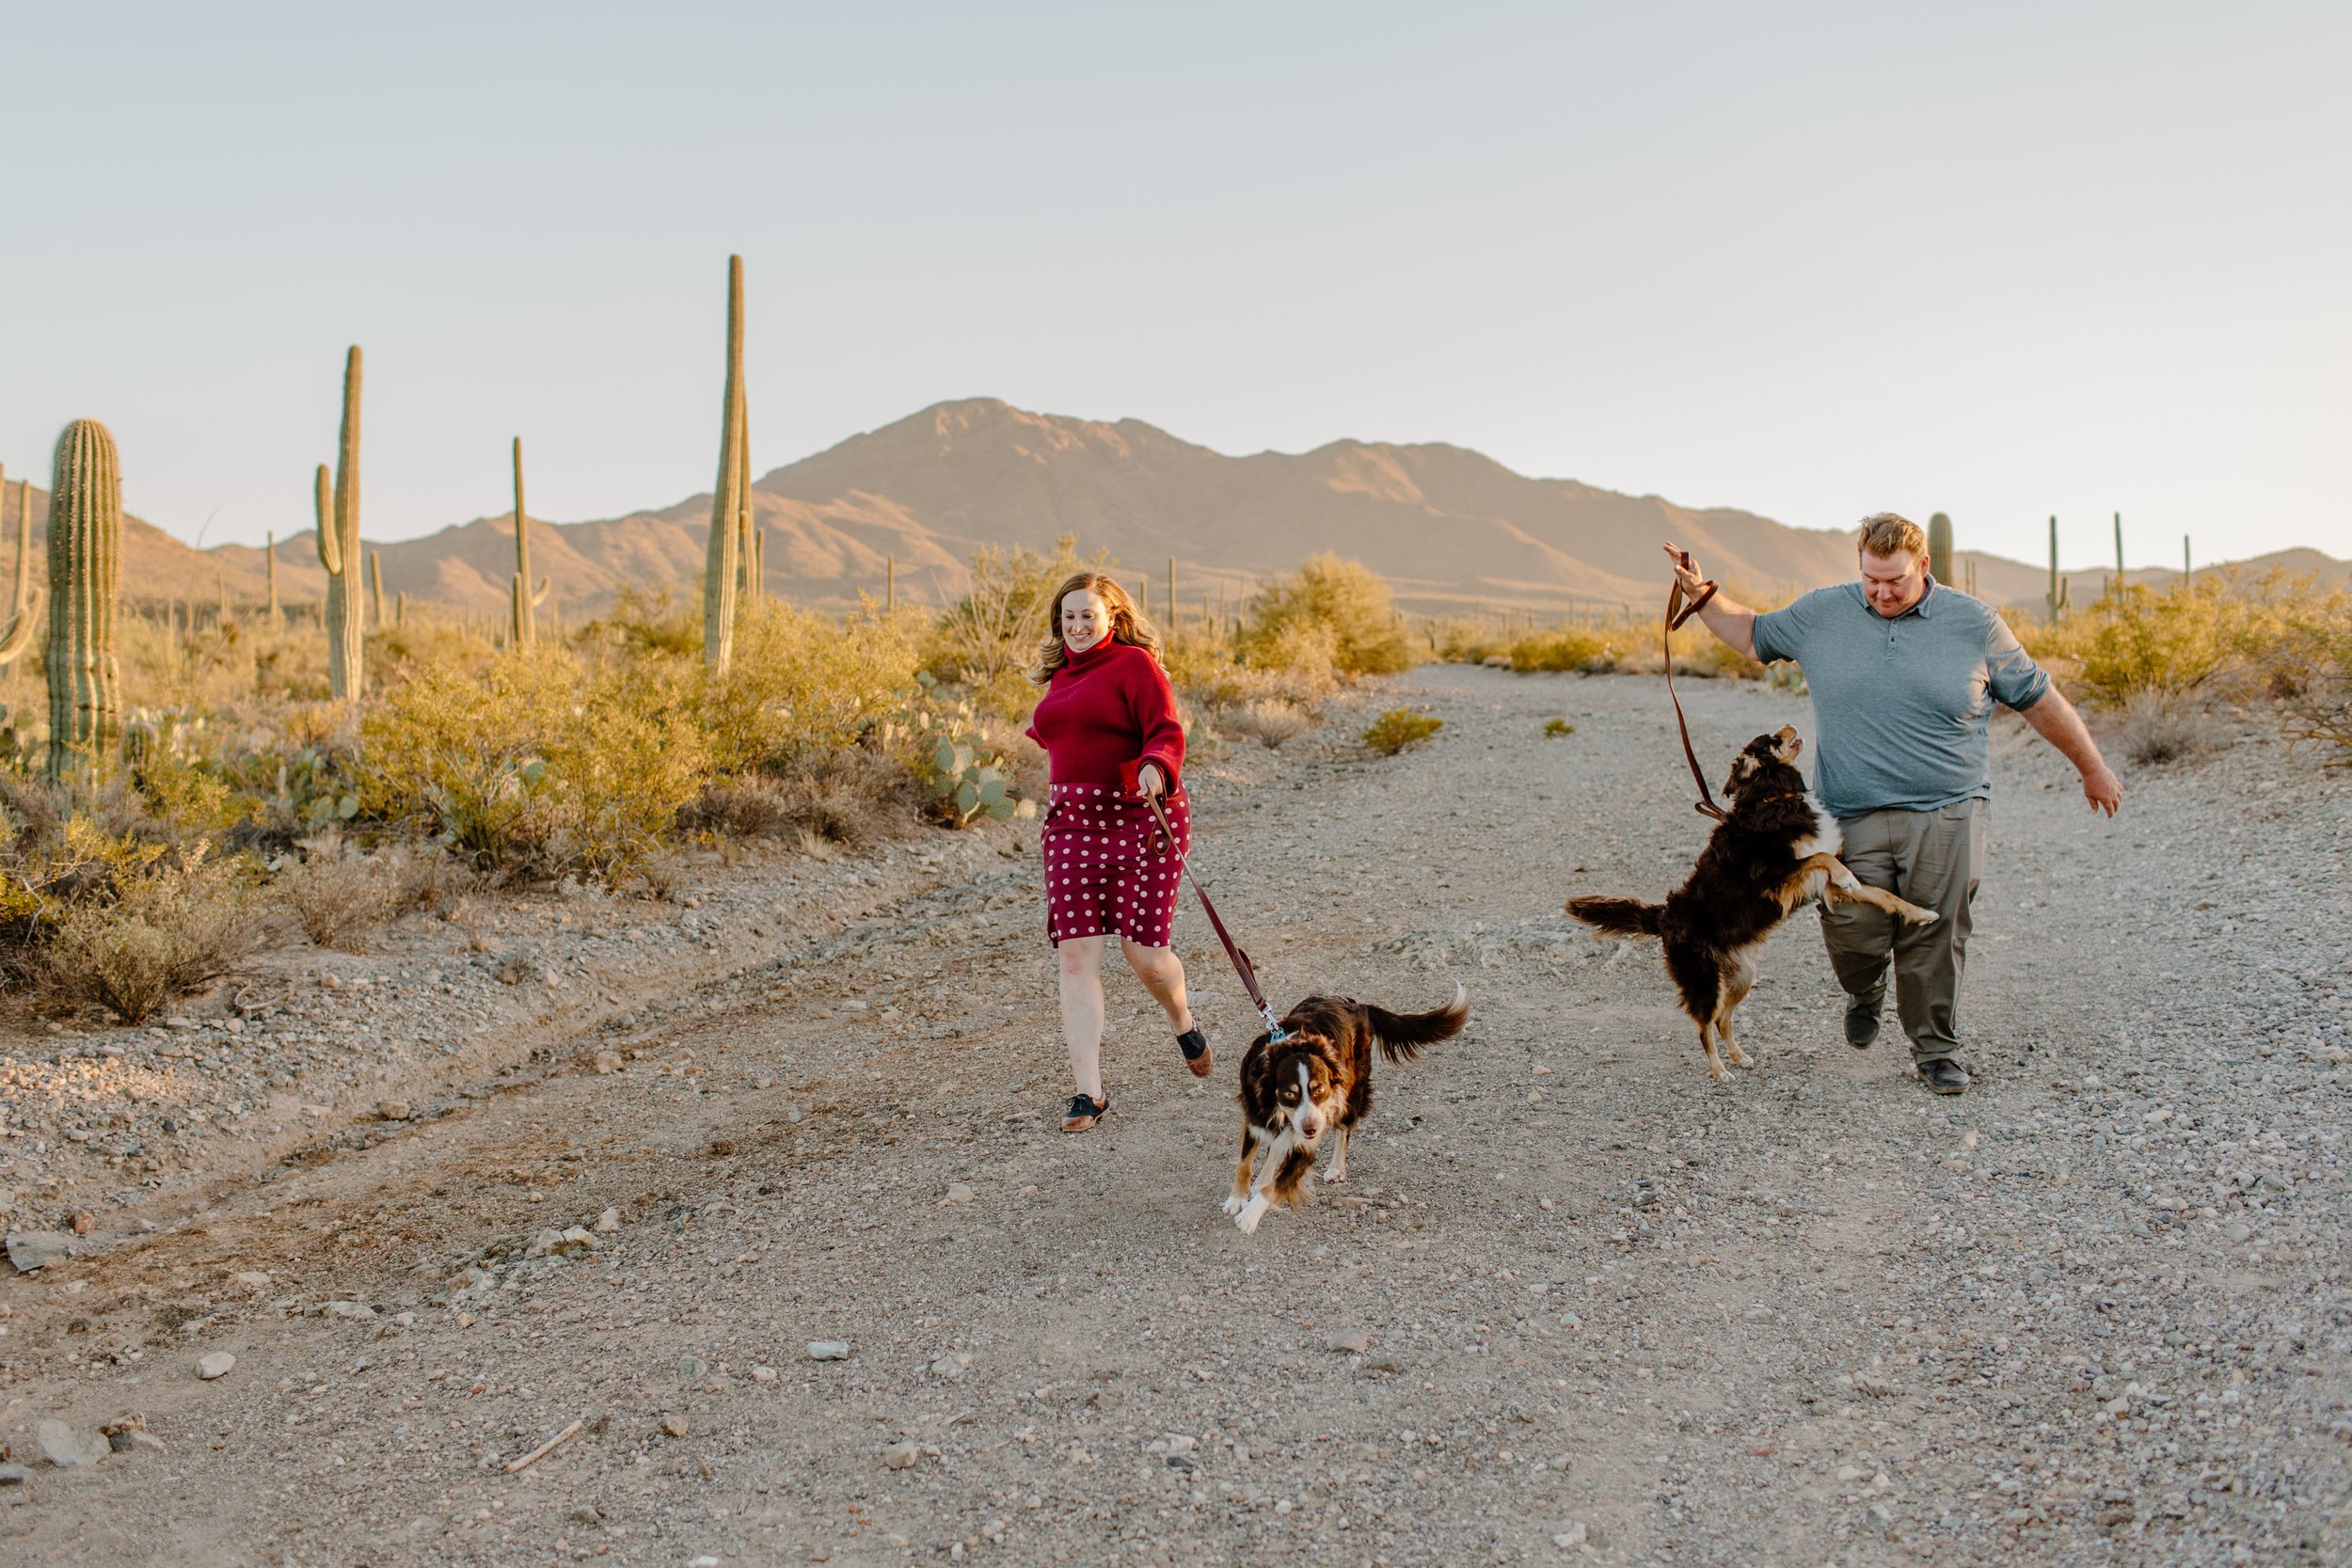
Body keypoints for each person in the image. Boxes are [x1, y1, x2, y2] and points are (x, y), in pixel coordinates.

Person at [1662, 515, 2122, 1095]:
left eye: (1896, 581)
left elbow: (2038, 697)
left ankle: (1936, 1049)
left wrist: (2092, 766)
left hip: (1948, 807)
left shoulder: (1974, 623)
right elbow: (1752, 633)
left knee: (1937, 927)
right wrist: (1703, 595)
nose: (1881, 592)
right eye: (1871, 579)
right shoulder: (1824, 613)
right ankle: (1865, 987)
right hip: (1848, 813)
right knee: (1851, 928)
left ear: (1924, 566)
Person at [1023, 572, 1213, 1132]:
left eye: (1088, 615)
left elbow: (1165, 731)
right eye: (1068, 616)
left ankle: (1182, 1019)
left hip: (1140, 817)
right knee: (1076, 957)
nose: (1078, 625)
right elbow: (1065, 737)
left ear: (1112, 618)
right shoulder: (1059, 676)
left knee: (1147, 959)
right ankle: (1089, 1094)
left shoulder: (1135, 666)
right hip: (1071, 827)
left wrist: (1156, 764)